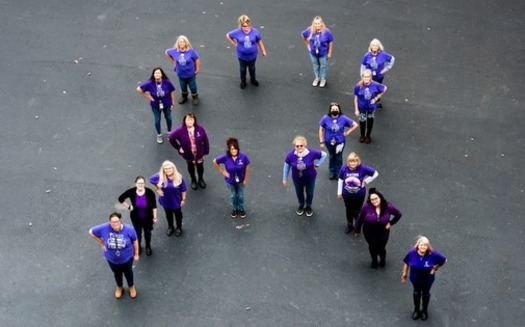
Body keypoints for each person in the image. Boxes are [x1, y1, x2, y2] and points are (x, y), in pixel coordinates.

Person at [88, 212, 139, 299]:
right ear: (109, 222)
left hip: (127, 258)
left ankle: (131, 287)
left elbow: (135, 241)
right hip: (112, 259)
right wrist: (102, 243)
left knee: (128, 272)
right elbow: (91, 232)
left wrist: (136, 254)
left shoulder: (129, 229)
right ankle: (119, 287)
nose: (115, 224)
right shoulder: (104, 228)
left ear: (121, 221)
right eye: (112, 222)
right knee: (117, 273)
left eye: (117, 221)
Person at [354, 188, 402, 269]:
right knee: (372, 246)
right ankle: (374, 260)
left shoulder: (388, 206)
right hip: (369, 231)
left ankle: (382, 259)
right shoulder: (366, 207)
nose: (374, 201)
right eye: (372, 199)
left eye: (376, 198)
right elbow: (360, 219)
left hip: (383, 231)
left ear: (380, 198)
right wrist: (357, 230)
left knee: (381, 247)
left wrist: (390, 223)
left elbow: (398, 214)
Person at [402, 236, 447, 321]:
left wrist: (435, 268)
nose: (423, 247)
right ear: (418, 245)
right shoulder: (411, 253)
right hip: (415, 278)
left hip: (428, 279)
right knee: (416, 293)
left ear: (428, 246)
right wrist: (404, 274)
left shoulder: (433, 254)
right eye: (421, 245)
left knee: (426, 293)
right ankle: (416, 310)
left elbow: (444, 260)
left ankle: (424, 311)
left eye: (425, 245)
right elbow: (406, 263)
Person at [283, 135, 327, 217]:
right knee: (299, 193)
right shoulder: (290, 155)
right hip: (297, 179)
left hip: (310, 178)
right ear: (294, 146)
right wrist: (284, 179)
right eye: (297, 146)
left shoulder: (312, 153)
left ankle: (308, 206)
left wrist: (317, 165)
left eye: (301, 146)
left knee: (310, 193)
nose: (299, 147)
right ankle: (301, 205)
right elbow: (286, 166)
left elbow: (324, 155)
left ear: (305, 145)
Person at [337, 152, 378, 234]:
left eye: (355, 161)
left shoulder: (362, 168)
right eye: (351, 161)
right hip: (347, 195)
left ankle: (357, 226)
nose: (353, 163)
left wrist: (366, 181)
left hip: (359, 195)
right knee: (349, 210)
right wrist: (339, 192)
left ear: (358, 161)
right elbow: (341, 180)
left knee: (358, 211)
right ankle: (349, 225)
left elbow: (375, 173)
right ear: (348, 162)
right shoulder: (344, 168)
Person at [168, 113, 210, 190]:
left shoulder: (200, 128)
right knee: (190, 167)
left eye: (191, 119)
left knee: (200, 167)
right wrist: (178, 147)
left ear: (194, 120)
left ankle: (201, 179)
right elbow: (170, 137)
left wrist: (206, 151)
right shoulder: (180, 130)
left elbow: (205, 140)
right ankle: (193, 180)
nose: (190, 121)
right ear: (185, 120)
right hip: (188, 154)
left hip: (199, 153)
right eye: (188, 119)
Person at [118, 176, 158, 256]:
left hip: (147, 218)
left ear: (144, 184)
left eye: (142, 183)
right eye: (139, 183)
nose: (140, 184)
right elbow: (121, 198)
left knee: (147, 233)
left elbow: (154, 206)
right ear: (135, 183)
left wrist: (155, 217)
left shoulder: (150, 192)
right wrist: (129, 207)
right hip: (136, 218)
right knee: (137, 234)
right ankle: (138, 247)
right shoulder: (132, 191)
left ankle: (148, 246)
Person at [213, 137, 251, 219]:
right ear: (229, 149)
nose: (234, 151)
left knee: (240, 195)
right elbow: (215, 161)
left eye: (235, 149)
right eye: (232, 149)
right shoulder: (226, 157)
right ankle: (234, 209)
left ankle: (241, 208)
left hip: (240, 180)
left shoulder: (243, 156)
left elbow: (247, 167)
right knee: (233, 195)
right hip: (230, 181)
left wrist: (245, 179)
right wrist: (222, 171)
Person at [226, 14, 267, 89]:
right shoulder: (237, 32)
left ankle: (253, 79)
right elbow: (228, 35)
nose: (246, 28)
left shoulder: (255, 32)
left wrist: (263, 51)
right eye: (244, 26)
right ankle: (243, 81)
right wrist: (234, 44)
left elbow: (259, 41)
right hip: (242, 56)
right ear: (241, 25)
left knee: (252, 68)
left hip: (252, 56)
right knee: (242, 69)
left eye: (248, 25)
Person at [136, 67, 176, 144]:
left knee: (169, 118)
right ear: (153, 75)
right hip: (155, 104)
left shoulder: (167, 82)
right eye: (156, 73)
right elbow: (138, 89)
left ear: (161, 74)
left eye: (159, 73)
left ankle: (169, 132)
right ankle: (159, 134)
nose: (157, 74)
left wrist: (173, 102)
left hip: (167, 103)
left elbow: (171, 91)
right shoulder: (150, 83)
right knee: (157, 119)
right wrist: (148, 96)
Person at [319, 102, 358, 180]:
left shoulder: (343, 118)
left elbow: (355, 125)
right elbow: (321, 129)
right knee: (331, 155)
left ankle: (338, 172)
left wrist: (347, 132)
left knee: (339, 157)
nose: (335, 110)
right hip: (328, 141)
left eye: (336, 109)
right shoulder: (325, 118)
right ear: (330, 110)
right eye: (333, 109)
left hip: (340, 142)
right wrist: (321, 141)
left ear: (339, 110)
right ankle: (331, 171)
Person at [149, 160, 187, 237]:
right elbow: (151, 180)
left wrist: (183, 199)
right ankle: (170, 227)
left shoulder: (178, 177)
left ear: (173, 168)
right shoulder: (159, 176)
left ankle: (179, 227)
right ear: (163, 170)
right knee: (168, 214)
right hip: (165, 201)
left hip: (176, 201)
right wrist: (157, 189)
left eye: (170, 168)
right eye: (166, 169)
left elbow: (183, 189)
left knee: (178, 215)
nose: (168, 170)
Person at [165, 35, 201, 106]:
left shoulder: (191, 51)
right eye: (180, 42)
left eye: (183, 42)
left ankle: (195, 97)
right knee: (183, 86)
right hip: (181, 74)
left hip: (190, 74)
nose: (181, 44)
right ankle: (184, 96)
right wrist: (174, 62)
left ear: (186, 43)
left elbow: (197, 59)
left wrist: (197, 69)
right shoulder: (174, 51)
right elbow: (166, 52)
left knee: (192, 86)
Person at [353, 69, 387, 144]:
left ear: (371, 77)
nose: (366, 78)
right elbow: (355, 99)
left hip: (371, 107)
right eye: (364, 76)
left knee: (370, 121)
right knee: (362, 121)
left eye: (368, 76)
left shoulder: (375, 85)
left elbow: (384, 88)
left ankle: (368, 135)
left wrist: (376, 98)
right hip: (362, 107)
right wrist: (356, 110)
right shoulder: (358, 86)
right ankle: (362, 135)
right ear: (362, 77)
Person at [360, 38, 395, 107]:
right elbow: (363, 66)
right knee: (368, 88)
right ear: (370, 46)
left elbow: (392, 59)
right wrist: (362, 76)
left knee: (378, 88)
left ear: (379, 46)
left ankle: (377, 100)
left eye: (376, 45)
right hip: (368, 77)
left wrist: (386, 68)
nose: (374, 47)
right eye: (373, 45)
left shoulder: (383, 54)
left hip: (379, 76)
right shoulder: (367, 55)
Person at [301, 16, 334, 88]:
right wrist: (308, 45)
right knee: (315, 65)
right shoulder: (310, 30)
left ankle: (323, 79)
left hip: (323, 53)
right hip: (313, 52)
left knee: (323, 66)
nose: (317, 25)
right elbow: (303, 35)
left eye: (318, 23)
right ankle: (317, 78)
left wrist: (330, 52)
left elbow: (330, 42)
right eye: (315, 23)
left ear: (321, 23)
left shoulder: (326, 32)